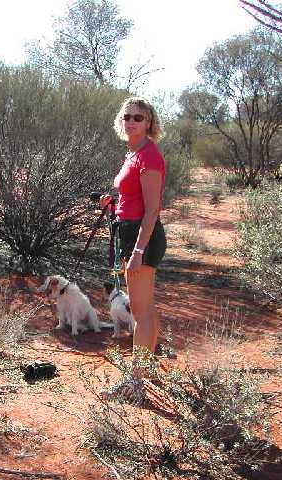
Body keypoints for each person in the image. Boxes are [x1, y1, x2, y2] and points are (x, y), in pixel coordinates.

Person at [100, 96, 167, 405]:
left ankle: (135, 383)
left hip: (143, 236)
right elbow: (133, 196)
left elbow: (152, 210)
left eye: (138, 118)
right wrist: (113, 203)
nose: (131, 122)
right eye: (127, 117)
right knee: (146, 309)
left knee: (139, 312)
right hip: (130, 231)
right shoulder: (133, 153)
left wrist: (139, 250)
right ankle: (147, 371)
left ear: (149, 122)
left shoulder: (149, 156)